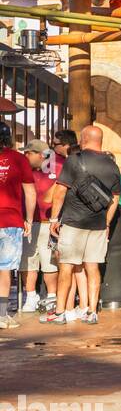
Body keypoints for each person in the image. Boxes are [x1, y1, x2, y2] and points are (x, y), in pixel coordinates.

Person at [45, 126, 120, 326]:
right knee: (93, 267)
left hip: (73, 223)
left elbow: (60, 192)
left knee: (67, 267)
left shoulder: (74, 160)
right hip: (97, 225)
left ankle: (61, 311)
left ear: (83, 138)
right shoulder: (111, 164)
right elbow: (115, 197)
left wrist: (53, 220)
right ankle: (91, 311)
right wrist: (106, 223)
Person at [0, 123, 36, 329]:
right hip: (10, 221)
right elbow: (30, 192)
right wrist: (29, 219)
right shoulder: (19, 159)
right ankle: (1, 315)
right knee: (4, 270)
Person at [18, 139, 56, 313]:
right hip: (28, 222)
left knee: (49, 262)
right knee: (27, 261)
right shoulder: (21, 169)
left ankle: (52, 296)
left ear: (41, 154)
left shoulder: (58, 168)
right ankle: (31, 296)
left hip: (49, 223)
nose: (26, 155)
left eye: (29, 153)